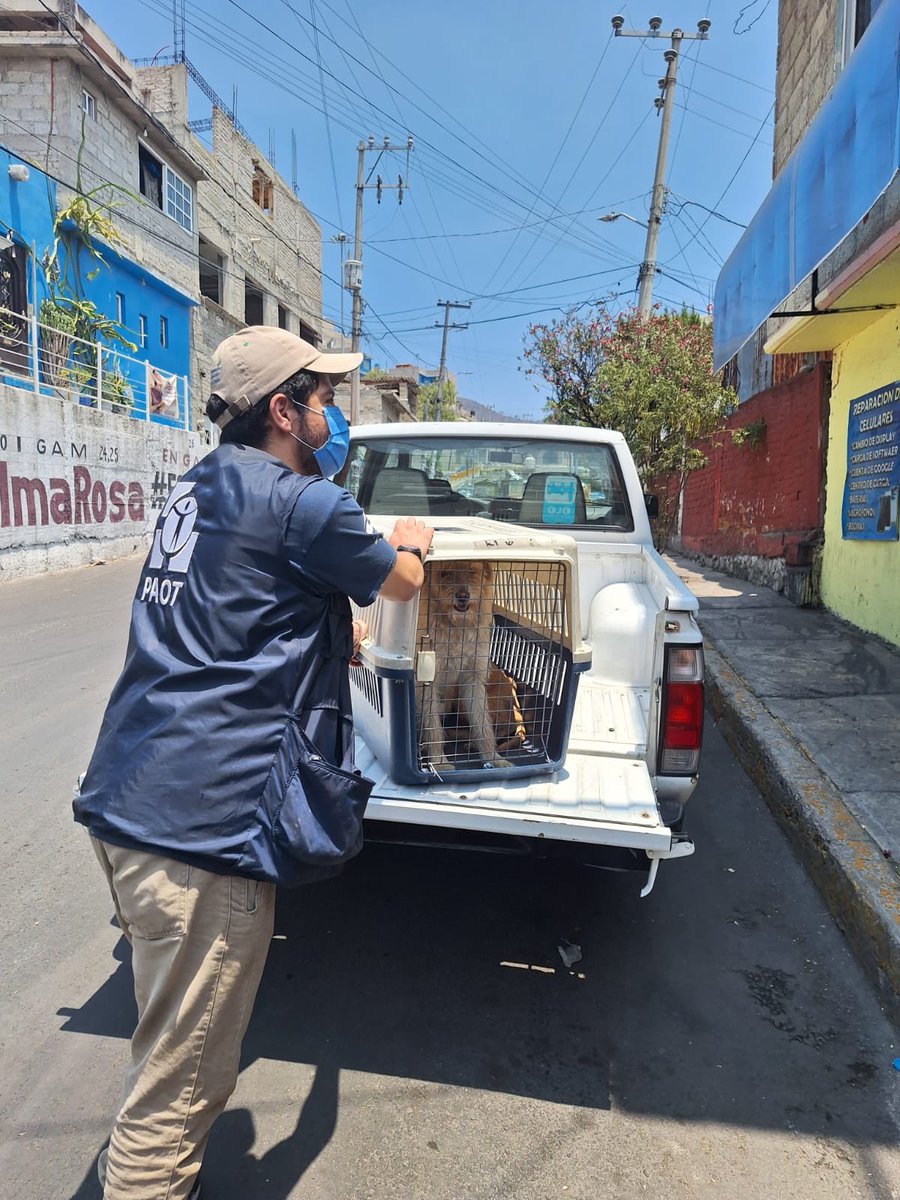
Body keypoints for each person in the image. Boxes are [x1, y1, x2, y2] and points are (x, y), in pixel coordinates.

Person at [74, 326, 433, 1200]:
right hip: (207, 829)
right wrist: (413, 539)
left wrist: (319, 626)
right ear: (284, 412)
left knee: (162, 1043)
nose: (332, 415)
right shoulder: (306, 505)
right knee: (179, 1094)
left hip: (126, 800)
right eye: (322, 399)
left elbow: (230, 609)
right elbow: (404, 582)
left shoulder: (195, 489)